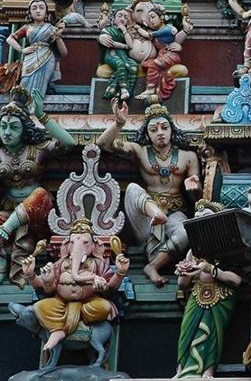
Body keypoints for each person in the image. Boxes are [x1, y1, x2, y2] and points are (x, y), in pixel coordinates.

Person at [97, 101, 200, 286]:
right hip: (146, 216)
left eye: (164, 127)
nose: (160, 132)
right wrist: (119, 123)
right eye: (153, 129)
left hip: (175, 212)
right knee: (133, 189)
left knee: (186, 232)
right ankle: (156, 213)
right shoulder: (141, 151)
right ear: (147, 134)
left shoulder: (188, 156)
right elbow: (103, 144)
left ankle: (153, 266)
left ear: (172, 130)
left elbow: (197, 197)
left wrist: (193, 187)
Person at [0, 87, 75, 288]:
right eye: (3, 126)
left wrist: (41, 115)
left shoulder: (36, 150)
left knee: (40, 193)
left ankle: (9, 230)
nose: (7, 133)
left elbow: (68, 143)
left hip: (38, 214)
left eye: (14, 127)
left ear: (24, 129)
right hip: (7, 211)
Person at [20, 218, 129, 352]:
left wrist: (120, 273)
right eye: (73, 242)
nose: (78, 247)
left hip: (88, 303)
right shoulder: (61, 264)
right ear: (68, 245)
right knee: (40, 306)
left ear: (93, 246)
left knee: (104, 307)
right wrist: (31, 275)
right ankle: (60, 328)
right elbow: (47, 290)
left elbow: (110, 288)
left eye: (85, 243)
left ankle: (63, 326)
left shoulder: (98, 264)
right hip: (61, 303)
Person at [174, 200, 241, 378]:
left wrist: (208, 268)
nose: (200, 223)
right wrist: (184, 272)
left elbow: (236, 279)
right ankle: (181, 370)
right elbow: (183, 284)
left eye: (205, 218)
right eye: (196, 219)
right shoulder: (193, 251)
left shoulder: (229, 248)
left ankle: (208, 371)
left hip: (221, 296)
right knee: (186, 332)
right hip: (196, 294)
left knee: (212, 333)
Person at [6, 0, 67, 99]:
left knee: (41, 84)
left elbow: (64, 53)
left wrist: (58, 36)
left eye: (41, 8)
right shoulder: (27, 27)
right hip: (30, 57)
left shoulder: (51, 28)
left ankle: (36, 105)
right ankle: (22, 104)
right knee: (25, 81)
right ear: (30, 12)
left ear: (46, 12)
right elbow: (9, 39)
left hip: (47, 58)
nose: (38, 11)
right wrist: (22, 50)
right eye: (34, 8)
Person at [135, 4, 193, 102]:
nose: (151, 20)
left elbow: (147, 35)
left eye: (153, 17)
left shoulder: (167, 29)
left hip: (170, 56)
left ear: (161, 18)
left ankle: (150, 89)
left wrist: (137, 28)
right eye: (149, 18)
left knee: (154, 64)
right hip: (162, 56)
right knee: (146, 65)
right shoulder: (159, 31)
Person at [97, 8, 138, 102]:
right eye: (120, 16)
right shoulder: (108, 30)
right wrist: (123, 46)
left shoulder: (125, 33)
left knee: (134, 66)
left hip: (124, 56)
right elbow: (110, 43)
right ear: (113, 19)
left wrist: (124, 31)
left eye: (126, 17)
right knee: (120, 64)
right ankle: (124, 89)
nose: (122, 19)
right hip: (111, 54)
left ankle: (117, 89)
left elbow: (130, 46)